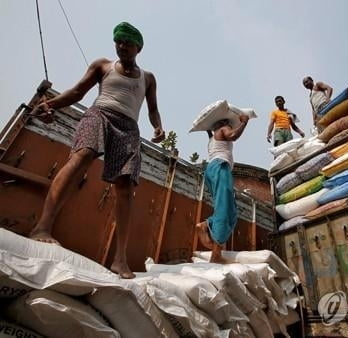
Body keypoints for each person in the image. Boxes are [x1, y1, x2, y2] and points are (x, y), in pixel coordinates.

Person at [29, 22, 165, 279]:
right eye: (118, 41)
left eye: (127, 42)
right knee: (82, 156)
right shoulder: (102, 66)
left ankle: (120, 259)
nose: (122, 46)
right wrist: (50, 105)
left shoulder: (148, 78)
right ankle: (42, 227)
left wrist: (158, 127)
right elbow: (78, 92)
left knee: (125, 187)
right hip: (99, 114)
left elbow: (153, 109)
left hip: (129, 128)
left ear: (139, 47)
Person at [195, 115, 249, 263]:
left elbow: (214, 134)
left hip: (212, 169)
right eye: (228, 122)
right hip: (220, 167)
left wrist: (208, 129)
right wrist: (244, 122)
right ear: (223, 123)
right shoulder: (224, 129)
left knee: (229, 210)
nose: (229, 125)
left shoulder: (212, 138)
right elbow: (233, 136)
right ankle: (217, 253)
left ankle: (206, 225)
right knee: (225, 208)